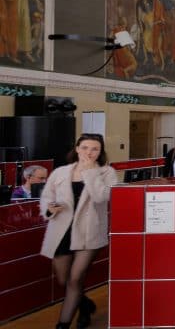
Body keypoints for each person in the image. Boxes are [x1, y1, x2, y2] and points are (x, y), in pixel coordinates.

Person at [40, 133, 118, 329]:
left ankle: (62, 325)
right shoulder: (60, 172)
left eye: (94, 149)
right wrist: (49, 209)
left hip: (89, 231)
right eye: (85, 148)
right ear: (77, 148)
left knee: (76, 279)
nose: (89, 152)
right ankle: (85, 305)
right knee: (63, 279)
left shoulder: (107, 172)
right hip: (61, 231)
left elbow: (102, 197)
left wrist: (91, 172)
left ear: (100, 152)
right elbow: (46, 196)